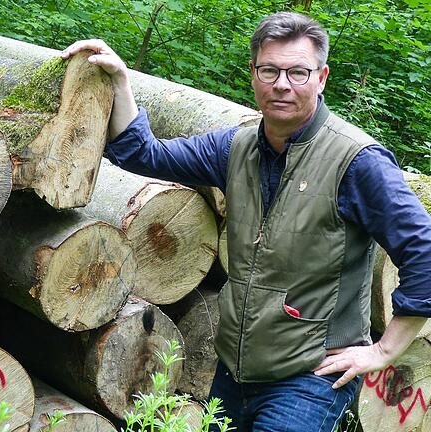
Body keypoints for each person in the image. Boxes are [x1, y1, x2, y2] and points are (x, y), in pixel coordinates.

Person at [62, 11, 431, 432]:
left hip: (310, 379)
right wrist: (122, 82)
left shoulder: (358, 162)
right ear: (254, 74)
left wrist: (383, 352)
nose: (281, 84)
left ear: (322, 77)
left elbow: (424, 254)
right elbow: (143, 154)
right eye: (269, 69)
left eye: (297, 72)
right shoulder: (235, 147)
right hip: (234, 374)